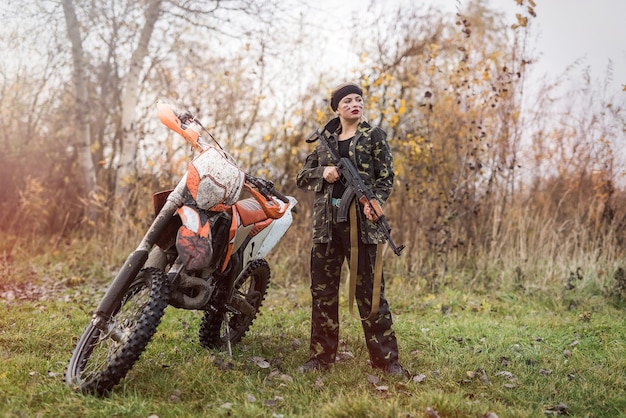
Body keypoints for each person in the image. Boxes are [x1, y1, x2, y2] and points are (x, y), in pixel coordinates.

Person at [296, 82, 407, 377]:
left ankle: (386, 361)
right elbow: (302, 177)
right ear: (337, 107)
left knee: (370, 295)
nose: (355, 104)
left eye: (359, 99)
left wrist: (375, 202)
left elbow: (386, 179)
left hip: (362, 229)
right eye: (348, 100)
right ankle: (320, 359)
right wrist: (324, 172)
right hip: (327, 228)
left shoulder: (374, 137)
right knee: (323, 294)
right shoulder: (323, 141)